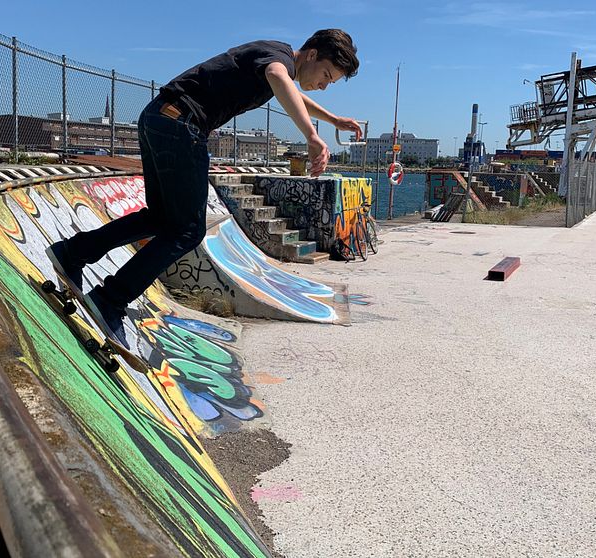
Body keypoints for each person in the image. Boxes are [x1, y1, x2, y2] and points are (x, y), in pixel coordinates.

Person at [47, 30, 362, 339]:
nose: (323, 86)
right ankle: (110, 300)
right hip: (181, 127)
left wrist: (333, 120)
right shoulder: (278, 60)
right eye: (325, 75)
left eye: (329, 83)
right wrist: (311, 136)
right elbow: (278, 76)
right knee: (187, 231)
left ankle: (72, 253)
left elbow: (292, 92)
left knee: (161, 218)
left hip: (160, 118)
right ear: (310, 55)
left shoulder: (274, 56)